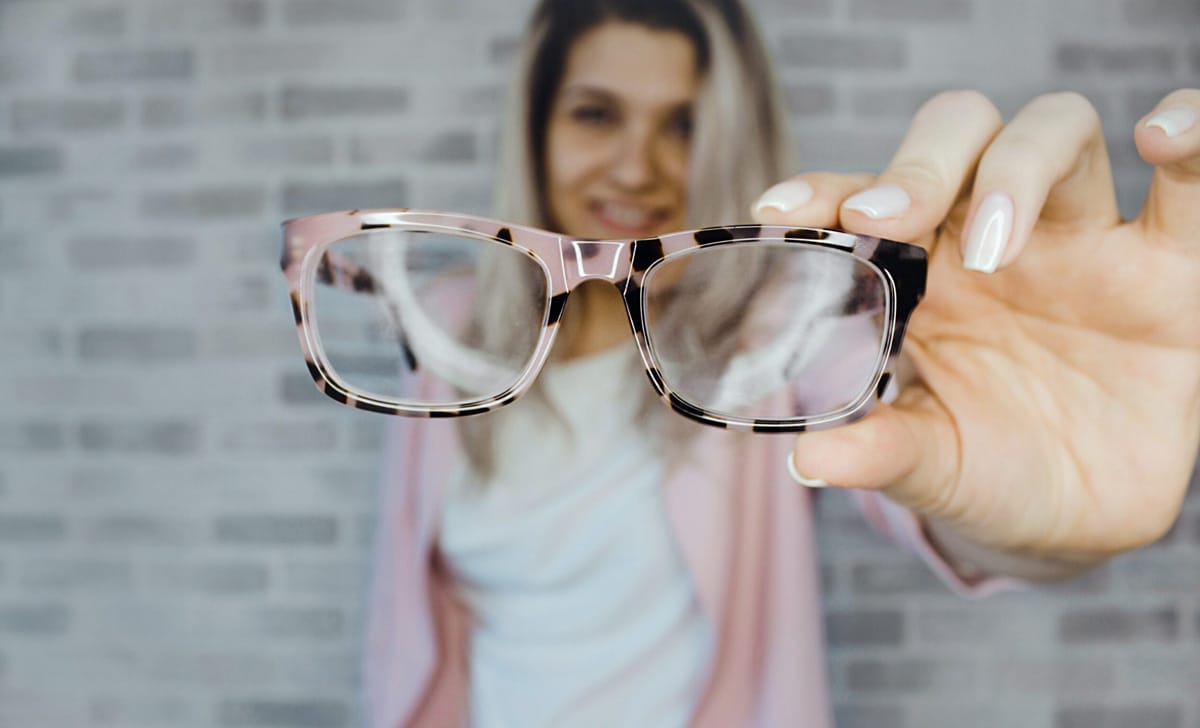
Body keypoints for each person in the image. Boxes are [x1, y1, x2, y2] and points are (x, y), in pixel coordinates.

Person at [357, 0, 1200, 725]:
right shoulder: (448, 326)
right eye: (596, 114)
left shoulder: (781, 327)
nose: (634, 167)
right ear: (535, 127)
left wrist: (1056, 504)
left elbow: (944, 488)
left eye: (683, 124)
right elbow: (411, 624)